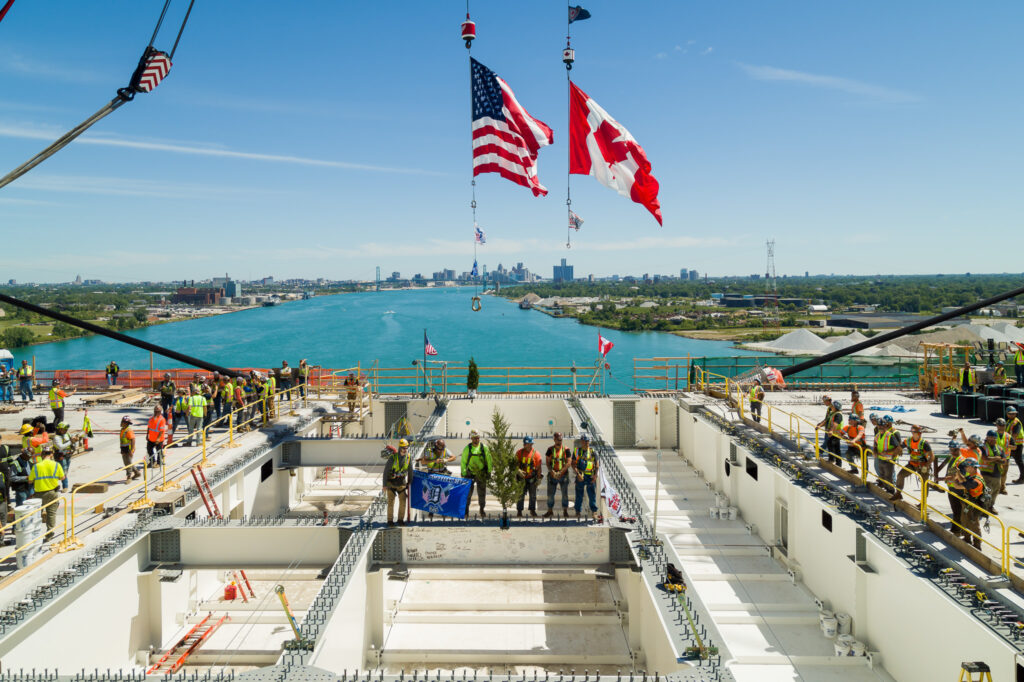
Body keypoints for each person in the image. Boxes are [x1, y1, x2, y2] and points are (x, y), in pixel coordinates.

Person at [28, 446, 64, 542]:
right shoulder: (56, 465)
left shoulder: (36, 466)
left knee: (37, 515)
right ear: (51, 454)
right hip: (53, 492)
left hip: (39, 494)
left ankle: (35, 535)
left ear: (42, 455)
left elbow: (30, 480)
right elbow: (62, 477)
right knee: (51, 514)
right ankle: (49, 534)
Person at [892, 425, 932, 501]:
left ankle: (923, 503)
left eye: (918, 433)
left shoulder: (924, 443)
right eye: (915, 432)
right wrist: (898, 451)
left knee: (924, 484)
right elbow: (900, 447)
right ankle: (898, 494)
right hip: (912, 464)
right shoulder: (908, 441)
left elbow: (932, 456)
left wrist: (926, 466)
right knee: (900, 475)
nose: (919, 434)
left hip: (923, 465)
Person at [956, 459, 988, 550]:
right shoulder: (974, 475)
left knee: (973, 524)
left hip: (974, 505)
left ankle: (977, 544)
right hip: (969, 503)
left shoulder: (975, 481)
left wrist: (954, 478)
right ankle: (967, 539)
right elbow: (964, 480)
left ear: (972, 467)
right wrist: (958, 473)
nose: (965, 468)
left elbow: (957, 486)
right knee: (964, 520)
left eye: (966, 467)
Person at [460, 430, 492, 517]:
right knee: (467, 493)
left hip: (481, 473)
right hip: (470, 473)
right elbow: (463, 461)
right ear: (471, 438)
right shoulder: (468, 448)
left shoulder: (484, 447)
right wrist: (463, 472)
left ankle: (482, 509)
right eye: (474, 438)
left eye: (478, 438)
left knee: (482, 493)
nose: (476, 440)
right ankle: (466, 511)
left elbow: (489, 460)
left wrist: (489, 471)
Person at [384, 439, 412, 526]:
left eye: (406, 448)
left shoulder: (408, 457)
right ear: (400, 448)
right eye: (403, 448)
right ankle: (390, 521)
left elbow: (410, 471)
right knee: (391, 502)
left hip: (401, 483)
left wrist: (409, 482)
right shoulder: (392, 458)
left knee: (403, 502)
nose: (405, 449)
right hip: (391, 483)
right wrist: (384, 485)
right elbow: (385, 471)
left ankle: (400, 520)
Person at [572, 433, 600, 519]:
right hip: (580, 476)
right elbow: (573, 464)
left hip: (590, 477)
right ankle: (578, 512)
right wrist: (578, 474)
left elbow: (597, 465)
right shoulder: (577, 451)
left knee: (592, 495)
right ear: (581, 441)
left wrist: (595, 476)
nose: (587, 443)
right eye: (585, 441)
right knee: (579, 495)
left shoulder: (593, 452)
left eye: (588, 441)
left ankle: (594, 512)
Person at [544, 432, 572, 518]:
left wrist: (561, 472)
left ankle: (565, 511)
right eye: (557, 440)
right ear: (554, 439)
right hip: (552, 476)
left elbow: (568, 462)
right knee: (550, 495)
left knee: (564, 494)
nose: (559, 442)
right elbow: (548, 463)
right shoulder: (550, 450)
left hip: (563, 476)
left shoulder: (566, 449)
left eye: (560, 440)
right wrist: (552, 472)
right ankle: (550, 511)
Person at [979, 430, 1007, 512]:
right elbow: (985, 458)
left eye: (994, 438)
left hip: (997, 474)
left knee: (995, 492)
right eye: (990, 438)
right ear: (986, 437)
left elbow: (1004, 461)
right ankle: (984, 508)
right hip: (986, 474)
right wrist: (997, 458)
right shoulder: (982, 447)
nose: (992, 440)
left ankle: (990, 507)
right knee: (987, 492)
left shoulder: (999, 448)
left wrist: (993, 459)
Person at [515, 436, 543, 518]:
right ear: (524, 444)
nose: (530, 446)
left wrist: (538, 478)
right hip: (521, 478)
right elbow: (515, 464)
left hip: (531, 478)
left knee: (533, 495)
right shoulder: (519, 453)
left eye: (531, 444)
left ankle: (532, 510)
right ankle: (519, 511)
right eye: (528, 444)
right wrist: (518, 471)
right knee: (520, 495)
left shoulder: (536, 454)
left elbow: (538, 467)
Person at [873, 416, 901, 495]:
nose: (881, 427)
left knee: (888, 477)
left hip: (889, 460)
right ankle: (887, 490)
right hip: (880, 459)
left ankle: (891, 491)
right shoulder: (877, 436)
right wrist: (875, 451)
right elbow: (875, 445)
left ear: (886, 426)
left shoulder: (890, 435)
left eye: (882, 426)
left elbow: (898, 448)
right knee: (882, 476)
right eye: (879, 426)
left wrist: (888, 451)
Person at [51, 422, 74, 492]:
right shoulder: (56, 438)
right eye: (64, 429)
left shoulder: (67, 434)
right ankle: (65, 486)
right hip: (61, 456)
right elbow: (60, 447)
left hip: (67, 455)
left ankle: (55, 485)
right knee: (63, 471)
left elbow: (71, 440)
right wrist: (71, 442)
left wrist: (74, 440)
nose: (66, 431)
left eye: (66, 429)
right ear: (60, 429)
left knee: (65, 471)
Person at [1007, 406, 1024, 484]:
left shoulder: (1016, 422)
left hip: (1016, 445)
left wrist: (1009, 443)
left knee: (1019, 461)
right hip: (1012, 445)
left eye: (1013, 414)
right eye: (1010, 414)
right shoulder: (1009, 421)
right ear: (1007, 414)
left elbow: (1015, 434)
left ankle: (1022, 478)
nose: (1012, 415)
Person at [120, 417, 140, 481]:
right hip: (124, 449)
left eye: (122, 422)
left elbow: (133, 440)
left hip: (129, 449)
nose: (121, 423)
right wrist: (121, 450)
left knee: (128, 463)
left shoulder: (128, 430)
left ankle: (129, 477)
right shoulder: (122, 430)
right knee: (127, 462)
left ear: (125, 423)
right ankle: (137, 472)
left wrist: (132, 450)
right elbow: (122, 440)